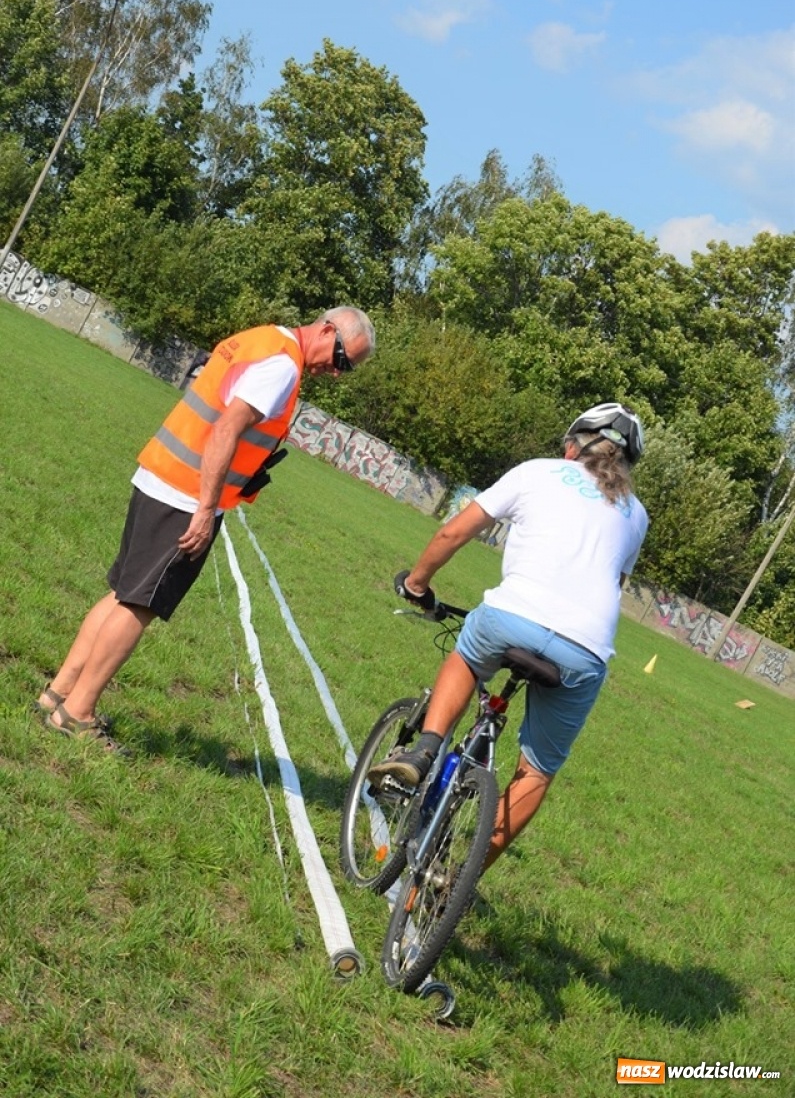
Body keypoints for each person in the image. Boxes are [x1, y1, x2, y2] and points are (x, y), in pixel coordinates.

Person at [38, 306, 375, 753]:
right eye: (342, 359)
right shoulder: (281, 366)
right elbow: (224, 432)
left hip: (161, 473)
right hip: (184, 495)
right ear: (327, 329)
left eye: (346, 368)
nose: (337, 372)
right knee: (140, 604)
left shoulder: (264, 338)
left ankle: (58, 693)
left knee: (123, 592)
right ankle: (77, 712)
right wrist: (205, 509)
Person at [368, 402, 649, 875]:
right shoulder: (635, 514)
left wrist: (417, 585)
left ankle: (424, 751)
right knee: (536, 772)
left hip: (510, 617)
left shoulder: (538, 473)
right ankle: (456, 879)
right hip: (584, 651)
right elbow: (611, 586)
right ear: (624, 465)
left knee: (464, 659)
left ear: (571, 445)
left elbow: (454, 532)